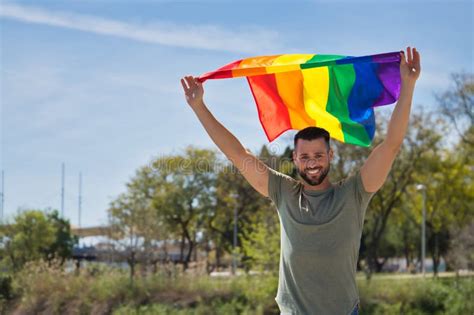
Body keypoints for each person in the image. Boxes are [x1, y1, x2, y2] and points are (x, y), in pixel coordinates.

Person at [180, 47, 421, 315]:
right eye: (305, 156)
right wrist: (199, 107)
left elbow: (390, 146)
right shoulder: (283, 191)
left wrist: (408, 85)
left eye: (319, 154)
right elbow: (238, 154)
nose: (313, 162)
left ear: (330, 155)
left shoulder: (354, 193)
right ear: (295, 158)